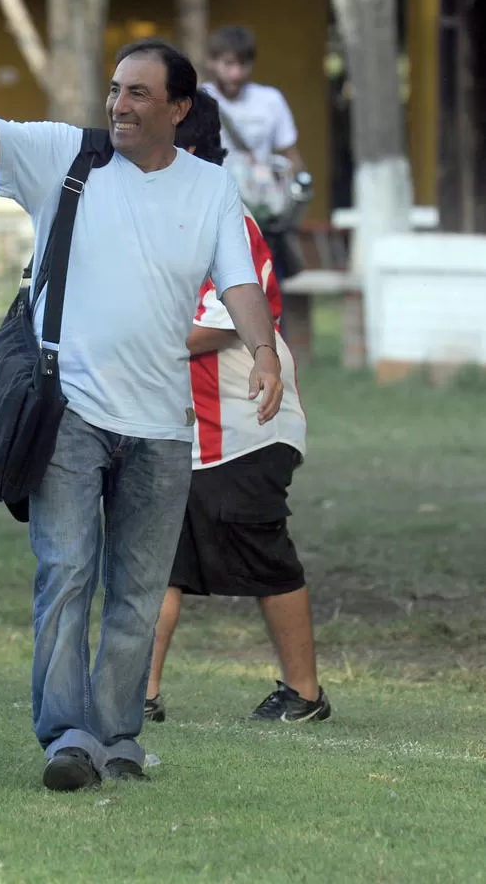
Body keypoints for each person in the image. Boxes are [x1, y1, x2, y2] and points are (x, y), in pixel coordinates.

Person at [0, 40, 284, 791]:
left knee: (137, 591)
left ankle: (116, 733)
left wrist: (262, 352)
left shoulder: (211, 189)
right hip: (67, 411)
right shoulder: (67, 157)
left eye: (139, 94)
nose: (119, 105)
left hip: (162, 426)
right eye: (114, 89)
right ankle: (68, 736)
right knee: (66, 572)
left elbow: (237, 282)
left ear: (179, 109)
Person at [144, 89, 330, 725]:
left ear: (186, 146)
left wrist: (123, 336)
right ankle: (137, 693)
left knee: (261, 556)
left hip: (246, 427)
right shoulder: (149, 223)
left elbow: (220, 323)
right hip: (178, 434)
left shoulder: (229, 222)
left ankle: (304, 693)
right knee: (156, 560)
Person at [202, 26, 307, 282]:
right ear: (212, 62)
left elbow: (291, 155)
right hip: (214, 215)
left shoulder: (270, 100)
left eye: (243, 64)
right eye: (228, 64)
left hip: (262, 218)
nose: (236, 73)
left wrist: (297, 196)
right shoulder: (199, 99)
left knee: (268, 290)